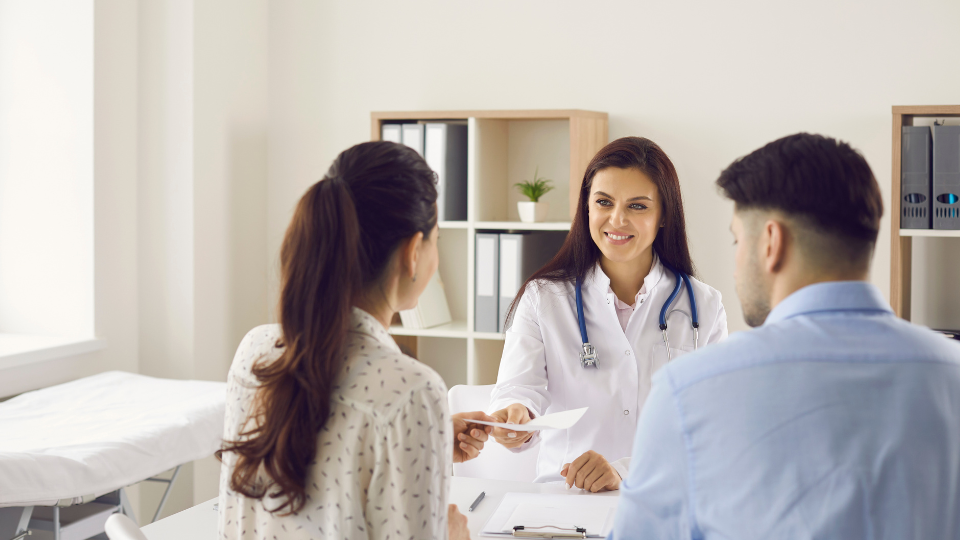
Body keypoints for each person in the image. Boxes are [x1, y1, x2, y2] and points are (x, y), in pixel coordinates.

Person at [611, 133, 960, 538]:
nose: (737, 261)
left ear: (772, 243)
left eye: (738, 239)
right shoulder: (951, 375)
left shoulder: (687, 393)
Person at [218, 141, 495, 540]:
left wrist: (424, 439)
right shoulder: (412, 391)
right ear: (414, 252)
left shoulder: (255, 352)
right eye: (436, 238)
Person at [487, 137, 728, 490]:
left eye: (638, 206)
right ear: (587, 207)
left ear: (664, 216)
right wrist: (514, 418)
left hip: (662, 496)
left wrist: (624, 471)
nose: (617, 220)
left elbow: (712, 426)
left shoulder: (703, 306)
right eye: (604, 202)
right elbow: (518, 388)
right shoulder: (544, 298)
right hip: (565, 501)